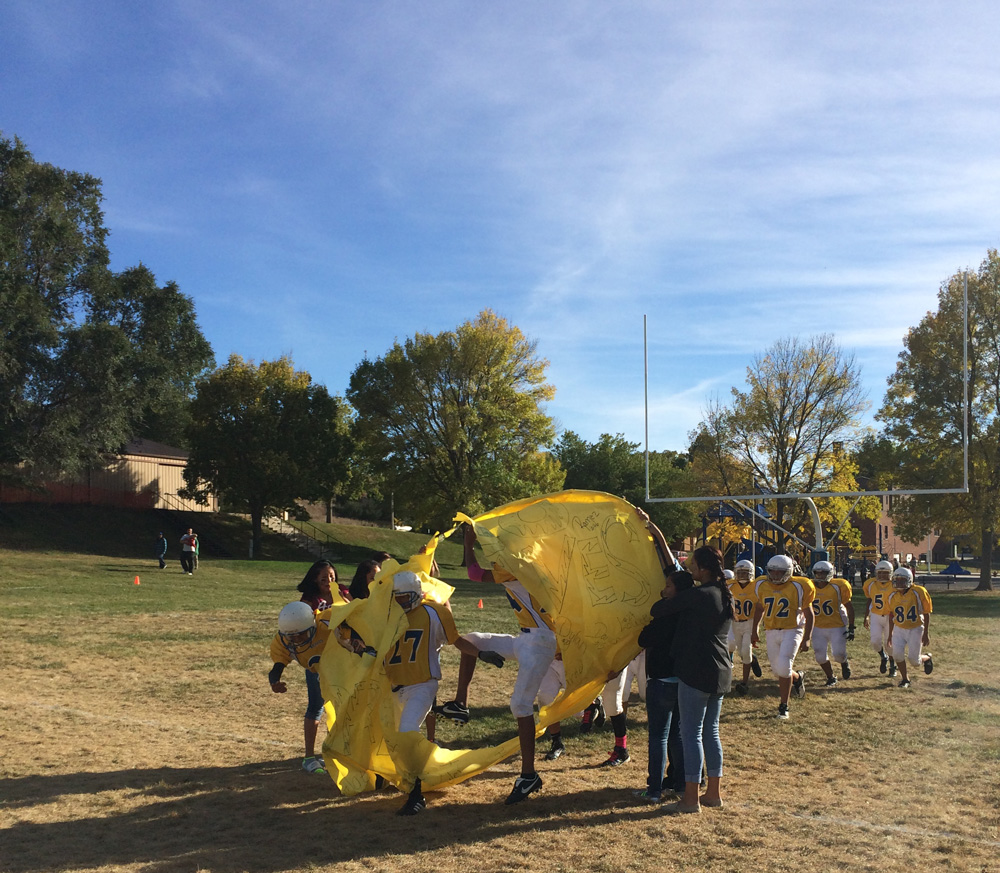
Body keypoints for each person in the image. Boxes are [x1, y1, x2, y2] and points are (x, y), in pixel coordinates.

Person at [384, 571, 503, 815]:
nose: (400, 604)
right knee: (394, 739)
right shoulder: (387, 613)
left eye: (404, 598)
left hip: (422, 685)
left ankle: (416, 794)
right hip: (393, 687)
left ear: (416, 595)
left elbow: (456, 640)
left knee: (407, 734)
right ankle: (401, 777)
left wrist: (480, 654)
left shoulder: (434, 612)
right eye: (396, 599)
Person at [456, 524, 558, 804]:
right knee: (472, 640)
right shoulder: (525, 564)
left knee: (521, 706)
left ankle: (528, 775)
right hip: (527, 638)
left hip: (539, 641)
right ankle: (460, 703)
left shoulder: (519, 566)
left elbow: (474, 573)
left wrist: (469, 542)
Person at [646, 540, 732, 814]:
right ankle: (713, 793)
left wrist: (667, 592)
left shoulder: (699, 594)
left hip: (696, 670)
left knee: (690, 732)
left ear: (704, 568)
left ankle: (691, 798)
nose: (690, 568)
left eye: (693, 565)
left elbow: (658, 610)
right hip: (720, 669)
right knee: (711, 731)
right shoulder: (722, 592)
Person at [635, 568, 694, 802]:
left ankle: (655, 789)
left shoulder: (665, 614)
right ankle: (681, 785)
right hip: (682, 680)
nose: (665, 589)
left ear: (677, 590)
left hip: (661, 680)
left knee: (659, 736)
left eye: (669, 585)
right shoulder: (691, 614)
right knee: (677, 735)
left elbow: (644, 638)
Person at [268, 601, 337, 774]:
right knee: (315, 708)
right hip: (315, 671)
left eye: (300, 635)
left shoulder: (328, 622)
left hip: (340, 671)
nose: (296, 640)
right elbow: (279, 662)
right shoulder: (284, 639)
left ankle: (335, 754)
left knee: (341, 712)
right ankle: (308, 758)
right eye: (292, 637)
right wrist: (274, 679)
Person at [751, 554, 815, 720]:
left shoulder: (800, 585)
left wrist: (807, 637)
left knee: (784, 666)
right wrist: (754, 629)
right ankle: (798, 677)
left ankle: (783, 706)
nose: (776, 575)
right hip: (771, 630)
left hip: (793, 629)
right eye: (773, 571)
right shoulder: (761, 584)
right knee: (778, 670)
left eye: (780, 572)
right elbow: (759, 608)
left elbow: (809, 613)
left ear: (789, 571)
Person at [809, 560, 855, 686]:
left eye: (823, 573)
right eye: (817, 573)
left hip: (837, 625)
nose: (819, 576)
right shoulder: (810, 586)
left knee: (838, 654)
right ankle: (831, 677)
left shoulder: (838, 586)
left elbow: (849, 607)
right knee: (819, 656)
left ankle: (844, 663)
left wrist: (851, 627)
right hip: (817, 626)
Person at [886, 567, 934, 687]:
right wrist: (890, 634)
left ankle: (927, 657)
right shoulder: (892, 595)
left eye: (903, 580)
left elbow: (927, 612)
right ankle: (905, 679)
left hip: (915, 628)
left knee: (915, 661)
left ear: (909, 580)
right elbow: (892, 615)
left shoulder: (919, 591)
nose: (900, 583)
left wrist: (926, 632)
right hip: (899, 628)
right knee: (897, 655)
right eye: (897, 580)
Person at [728, 559, 762, 695]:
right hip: (735, 622)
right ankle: (753, 660)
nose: (742, 576)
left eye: (745, 573)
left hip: (750, 621)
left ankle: (744, 683)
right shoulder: (730, 585)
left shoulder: (757, 587)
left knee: (745, 652)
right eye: (740, 573)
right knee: (741, 652)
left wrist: (756, 629)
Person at [864, 559, 897, 677]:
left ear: (891, 573)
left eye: (885, 573)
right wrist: (866, 616)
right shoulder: (871, 584)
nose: (882, 575)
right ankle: (883, 656)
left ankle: (893, 665)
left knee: (890, 644)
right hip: (876, 615)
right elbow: (869, 599)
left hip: (890, 616)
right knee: (875, 641)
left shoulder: (895, 584)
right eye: (880, 573)